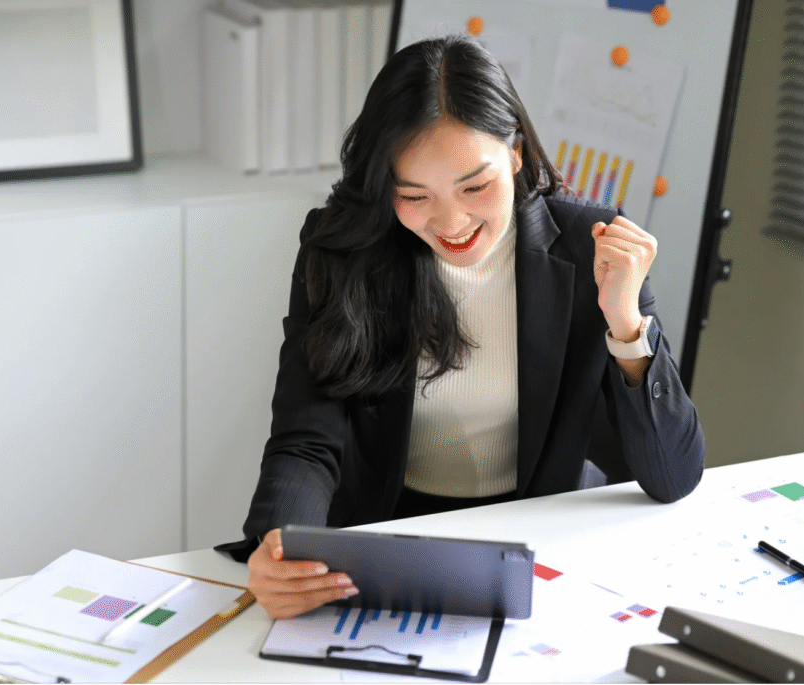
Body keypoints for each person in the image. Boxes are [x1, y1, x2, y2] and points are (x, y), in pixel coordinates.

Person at [215, 34, 704, 618]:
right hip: (382, 541)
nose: (452, 222)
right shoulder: (341, 251)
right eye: (414, 195)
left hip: (535, 543)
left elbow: (672, 475)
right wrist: (281, 546)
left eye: (476, 186)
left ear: (516, 152)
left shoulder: (589, 248)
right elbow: (306, 438)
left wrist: (626, 324)